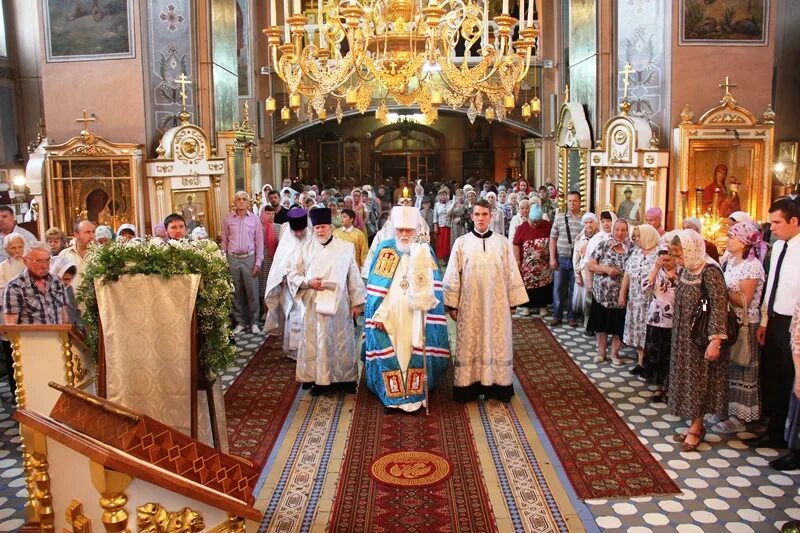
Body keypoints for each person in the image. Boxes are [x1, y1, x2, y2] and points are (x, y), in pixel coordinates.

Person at [363, 206, 450, 411]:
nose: (404, 235)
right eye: (400, 230)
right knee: (393, 351)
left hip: (417, 315)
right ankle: (392, 396)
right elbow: (376, 289)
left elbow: (434, 287)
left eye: (408, 231)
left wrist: (428, 307)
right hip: (389, 316)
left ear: (416, 230)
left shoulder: (424, 252)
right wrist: (379, 315)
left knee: (415, 348)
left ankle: (416, 396)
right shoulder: (384, 250)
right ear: (394, 229)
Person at [443, 199, 528, 403]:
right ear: (471, 217)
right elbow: (453, 274)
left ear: (490, 216)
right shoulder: (461, 243)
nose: (481, 218)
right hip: (470, 305)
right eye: (477, 214)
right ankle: (468, 388)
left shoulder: (502, 242)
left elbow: (511, 273)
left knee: (497, 341)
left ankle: (497, 388)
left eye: (484, 214)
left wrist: (513, 301)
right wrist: (452, 304)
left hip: (497, 306)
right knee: (470, 342)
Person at [288, 207, 366, 395]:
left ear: (330, 227)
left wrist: (356, 304)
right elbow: (292, 273)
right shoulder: (305, 248)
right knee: (316, 342)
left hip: (338, 304)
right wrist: (307, 282)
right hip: (313, 303)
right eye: (317, 228)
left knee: (340, 342)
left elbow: (353, 276)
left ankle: (342, 380)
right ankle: (319, 380)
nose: (320, 231)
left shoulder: (345, 248)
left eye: (323, 227)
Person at [668, 230, 730, 452]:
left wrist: (715, 340)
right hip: (684, 338)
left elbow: (719, 308)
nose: (678, 260)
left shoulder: (710, 271)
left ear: (692, 250)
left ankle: (697, 427)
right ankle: (694, 422)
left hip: (702, 339)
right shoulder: (687, 270)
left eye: (680, 255)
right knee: (687, 380)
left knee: (701, 382)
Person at [750, 198, 800, 449]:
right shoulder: (778, 246)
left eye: (777, 222)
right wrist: (765, 320)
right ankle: (772, 431)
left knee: (789, 379)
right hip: (774, 319)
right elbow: (773, 285)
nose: (772, 228)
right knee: (772, 375)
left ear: (794, 221)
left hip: (795, 323)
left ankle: (788, 437)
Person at [711, 222, 765, 434]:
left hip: (745, 324)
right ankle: (727, 409)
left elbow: (745, 300)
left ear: (743, 241)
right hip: (730, 322)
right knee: (729, 367)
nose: (728, 240)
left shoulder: (751, 266)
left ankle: (740, 417)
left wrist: (720, 290)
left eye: (731, 236)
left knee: (743, 367)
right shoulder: (731, 261)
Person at [264, 208, 310, 360]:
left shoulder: (312, 240)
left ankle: (307, 349)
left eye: (300, 231)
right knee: (292, 317)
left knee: (306, 316)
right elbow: (279, 263)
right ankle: (293, 350)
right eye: (295, 231)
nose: (297, 234)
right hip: (290, 287)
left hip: (308, 287)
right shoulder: (287, 239)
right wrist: (283, 278)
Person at [586, 218, 631, 366]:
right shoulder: (604, 244)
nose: (619, 233)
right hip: (602, 294)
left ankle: (614, 354)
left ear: (627, 231)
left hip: (621, 296)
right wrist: (606, 270)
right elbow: (590, 265)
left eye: (623, 230)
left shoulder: (631, 248)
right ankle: (601, 352)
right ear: (613, 230)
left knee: (618, 327)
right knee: (601, 325)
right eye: (617, 229)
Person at [620, 224, 661, 375]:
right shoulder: (636, 252)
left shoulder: (659, 253)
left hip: (651, 302)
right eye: (634, 237)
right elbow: (628, 274)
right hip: (635, 301)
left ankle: (650, 364)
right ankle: (640, 361)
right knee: (638, 332)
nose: (636, 240)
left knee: (649, 332)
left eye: (638, 237)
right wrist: (622, 294)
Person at [222, 191, 264, 335]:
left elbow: (259, 242)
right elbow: (225, 241)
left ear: (248, 202)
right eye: (238, 199)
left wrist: (258, 263)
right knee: (236, 292)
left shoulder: (254, 220)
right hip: (232, 258)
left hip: (249, 258)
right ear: (234, 202)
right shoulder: (228, 219)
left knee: (252, 291)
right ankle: (240, 322)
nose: (241, 201)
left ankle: (254, 322)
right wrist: (224, 259)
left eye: (244, 199)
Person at [641, 248, 680, 403]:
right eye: (662, 259)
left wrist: (673, 278)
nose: (665, 262)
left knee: (670, 355)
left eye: (668, 259)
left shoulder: (681, 272)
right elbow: (645, 288)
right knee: (656, 354)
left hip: (675, 320)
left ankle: (671, 388)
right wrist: (656, 268)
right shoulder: (656, 271)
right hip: (656, 319)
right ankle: (658, 387)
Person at [4, 241, 69, 325]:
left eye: (47, 260)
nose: (45, 266)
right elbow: (12, 327)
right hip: (31, 338)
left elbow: (65, 318)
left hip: (58, 337)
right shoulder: (15, 287)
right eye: (39, 261)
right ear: (25, 261)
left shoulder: (57, 281)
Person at [549, 191, 584, 326]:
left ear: (579, 202)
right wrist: (552, 258)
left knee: (574, 289)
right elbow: (552, 239)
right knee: (558, 288)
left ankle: (572, 316)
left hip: (577, 261)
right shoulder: (559, 218)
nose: (571, 203)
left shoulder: (584, 219)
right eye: (569, 201)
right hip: (561, 258)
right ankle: (557, 315)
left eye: (574, 201)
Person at [513, 199, 553, 317]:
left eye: (537, 222)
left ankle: (542, 306)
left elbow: (553, 240)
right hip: (527, 265)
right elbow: (516, 244)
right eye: (533, 222)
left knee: (543, 285)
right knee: (528, 285)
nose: (535, 224)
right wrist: (518, 260)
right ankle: (527, 306)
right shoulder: (522, 227)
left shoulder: (547, 225)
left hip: (543, 264)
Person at [0, 234, 26, 399]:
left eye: (19, 247)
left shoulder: (29, 263)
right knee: (12, 358)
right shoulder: (2, 268)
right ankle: (14, 391)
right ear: (6, 250)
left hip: (29, 319)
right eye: (13, 248)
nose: (17, 251)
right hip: (8, 316)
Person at [573, 212, 599, 325]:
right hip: (583, 274)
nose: (589, 225)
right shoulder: (580, 238)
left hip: (596, 274)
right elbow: (576, 258)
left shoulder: (600, 238)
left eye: (591, 222)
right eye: (586, 222)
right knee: (585, 300)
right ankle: (586, 321)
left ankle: (592, 323)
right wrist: (577, 274)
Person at [58, 219, 95, 292]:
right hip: (70, 301)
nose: (92, 236)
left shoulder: (99, 254)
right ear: (76, 235)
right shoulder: (64, 254)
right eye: (87, 232)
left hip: (93, 301)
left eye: (93, 232)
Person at [258, 205, 281, 309]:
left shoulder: (279, 227)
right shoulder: (258, 228)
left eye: (272, 214)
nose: (271, 216)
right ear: (263, 214)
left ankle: (273, 309)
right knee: (262, 284)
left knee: (273, 284)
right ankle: (264, 309)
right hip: (263, 260)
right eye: (268, 214)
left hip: (274, 261)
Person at [433, 189, 451, 262]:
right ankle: (443, 258)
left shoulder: (450, 203)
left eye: (444, 194)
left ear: (447, 195)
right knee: (441, 242)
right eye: (440, 195)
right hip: (441, 226)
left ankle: (448, 257)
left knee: (448, 242)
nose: (442, 196)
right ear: (438, 196)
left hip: (449, 226)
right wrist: (435, 226)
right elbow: (435, 217)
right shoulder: (437, 205)